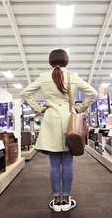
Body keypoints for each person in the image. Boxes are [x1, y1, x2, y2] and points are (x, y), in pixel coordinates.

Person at [21, 49, 97, 212]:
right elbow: (92, 93)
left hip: (51, 120)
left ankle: (56, 200)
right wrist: (79, 108)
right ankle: (66, 199)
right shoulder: (73, 77)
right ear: (66, 62)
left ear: (50, 62)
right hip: (70, 120)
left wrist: (39, 109)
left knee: (54, 163)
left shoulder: (43, 77)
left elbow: (25, 93)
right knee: (68, 161)